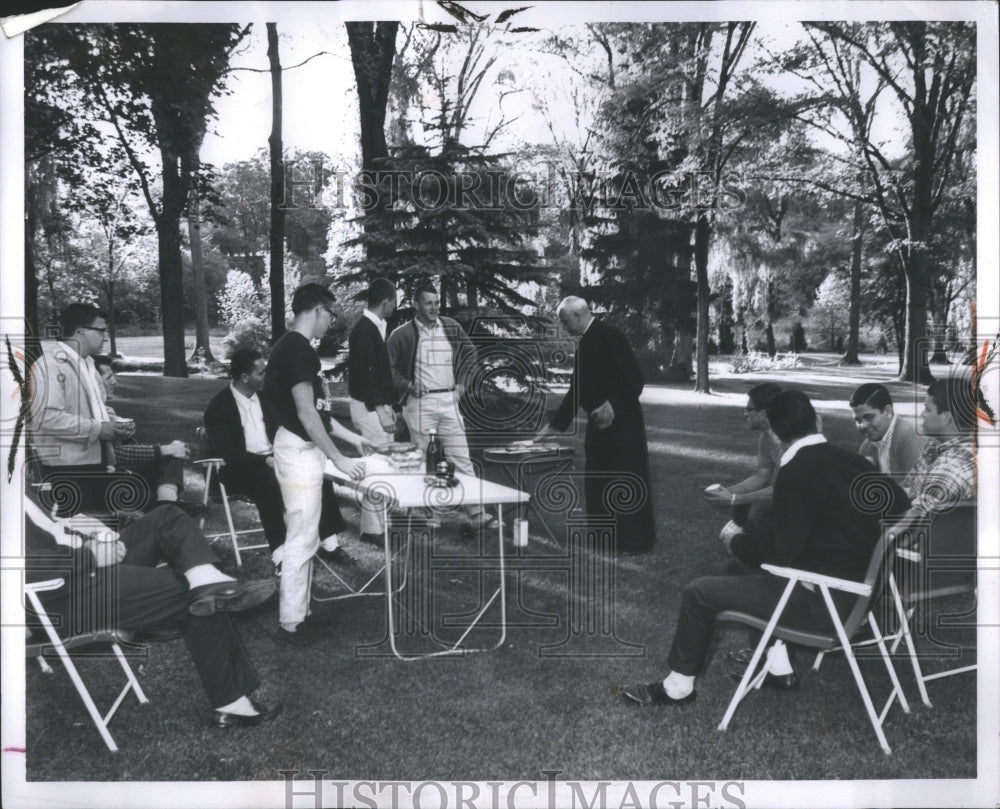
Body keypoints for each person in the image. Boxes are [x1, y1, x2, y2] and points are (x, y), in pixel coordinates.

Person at [619, 390, 908, 706]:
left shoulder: (796, 472)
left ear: (773, 432)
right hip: (859, 598)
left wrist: (736, 540)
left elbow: (781, 555)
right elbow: (901, 507)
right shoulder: (855, 462)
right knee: (739, 571)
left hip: (825, 606)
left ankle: (677, 688)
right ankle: (779, 669)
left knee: (698, 593)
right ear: (819, 421)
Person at [24, 497, 281, 728]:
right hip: (55, 599)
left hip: (73, 570)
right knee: (188, 594)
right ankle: (232, 704)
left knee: (166, 517)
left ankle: (205, 576)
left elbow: (45, 531)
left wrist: (88, 537)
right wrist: (89, 556)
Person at [261, 283, 369, 646]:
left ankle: (301, 612)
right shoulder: (296, 349)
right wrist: (338, 457)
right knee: (301, 536)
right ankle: (290, 624)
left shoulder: (293, 348)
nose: (330, 323)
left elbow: (319, 415)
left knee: (305, 533)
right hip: (298, 450)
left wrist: (353, 441)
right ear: (317, 311)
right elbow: (307, 414)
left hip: (302, 449)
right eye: (330, 315)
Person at [203, 348, 353, 573]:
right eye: (261, 373)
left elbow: (295, 423)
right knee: (268, 481)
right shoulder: (218, 407)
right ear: (245, 377)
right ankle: (280, 552)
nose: (267, 376)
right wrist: (266, 462)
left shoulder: (268, 398)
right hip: (241, 470)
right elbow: (231, 455)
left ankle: (329, 543)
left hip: (279, 458)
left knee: (315, 471)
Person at [535, 296, 655, 554]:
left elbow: (635, 379)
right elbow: (576, 391)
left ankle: (634, 541)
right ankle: (604, 540)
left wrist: (613, 405)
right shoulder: (585, 344)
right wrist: (553, 428)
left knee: (624, 480)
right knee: (598, 482)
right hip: (599, 427)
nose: (565, 328)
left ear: (578, 315)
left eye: (565, 321)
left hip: (624, 426)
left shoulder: (611, 336)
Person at [386, 283, 493, 525]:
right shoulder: (402, 334)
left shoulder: (450, 326)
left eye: (436, 302)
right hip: (420, 403)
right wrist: (406, 385)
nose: (434, 307)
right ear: (416, 305)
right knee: (422, 459)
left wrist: (463, 384)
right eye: (428, 303)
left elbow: (470, 353)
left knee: (461, 456)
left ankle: (477, 512)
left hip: (449, 400)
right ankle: (426, 511)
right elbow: (386, 367)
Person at [28, 303, 134, 514]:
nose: (106, 336)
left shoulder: (88, 364)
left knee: (105, 532)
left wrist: (114, 425)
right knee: (83, 537)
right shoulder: (49, 365)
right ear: (80, 332)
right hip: (66, 469)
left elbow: (96, 410)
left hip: (95, 463)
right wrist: (98, 429)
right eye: (101, 330)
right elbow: (46, 417)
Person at [92, 355, 203, 516]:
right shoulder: (91, 415)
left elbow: (123, 448)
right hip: (109, 483)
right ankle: (169, 510)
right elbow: (116, 455)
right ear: (93, 382)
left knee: (175, 448)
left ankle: (168, 503)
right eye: (109, 377)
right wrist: (162, 450)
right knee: (170, 451)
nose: (115, 382)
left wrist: (124, 432)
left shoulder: (106, 411)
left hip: (124, 475)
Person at [347, 278, 398, 543]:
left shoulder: (375, 327)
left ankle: (378, 523)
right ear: (386, 301)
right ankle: (372, 529)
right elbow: (362, 377)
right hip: (368, 407)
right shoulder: (364, 331)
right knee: (379, 464)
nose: (395, 306)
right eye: (394, 301)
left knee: (383, 462)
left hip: (376, 405)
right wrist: (381, 410)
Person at [704, 383, 783, 551]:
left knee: (758, 509)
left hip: (803, 500)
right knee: (743, 507)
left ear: (764, 412)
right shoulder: (765, 438)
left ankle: (765, 558)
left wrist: (734, 499)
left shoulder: (787, 440)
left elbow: (782, 490)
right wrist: (728, 492)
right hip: (786, 492)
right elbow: (763, 475)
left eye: (749, 409)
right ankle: (752, 547)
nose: (745, 413)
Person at [849, 382, 926, 475]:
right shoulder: (867, 446)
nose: (863, 425)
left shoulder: (909, 436)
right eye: (858, 420)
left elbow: (920, 484)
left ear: (888, 412)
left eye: (869, 417)